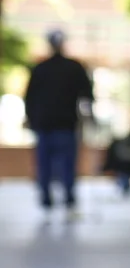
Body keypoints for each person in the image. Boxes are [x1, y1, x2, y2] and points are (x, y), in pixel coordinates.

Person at [23, 30, 94, 219]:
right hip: (63, 124)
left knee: (47, 163)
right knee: (65, 164)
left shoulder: (41, 68)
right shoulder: (73, 67)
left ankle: (49, 199)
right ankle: (66, 199)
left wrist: (30, 118)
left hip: (48, 124)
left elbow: (29, 98)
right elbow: (87, 95)